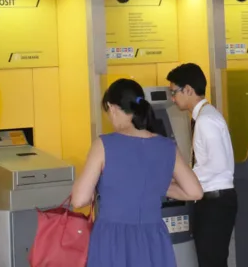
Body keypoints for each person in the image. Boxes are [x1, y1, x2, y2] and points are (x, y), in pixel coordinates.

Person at [72, 78, 204, 267]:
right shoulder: (167, 146)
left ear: (112, 107)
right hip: (153, 238)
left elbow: (79, 200)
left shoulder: (103, 145)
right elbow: (195, 192)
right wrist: (156, 186)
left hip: (113, 239)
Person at [166, 63, 236, 267]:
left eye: (174, 92)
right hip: (215, 200)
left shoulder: (206, 120)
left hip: (215, 202)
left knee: (212, 261)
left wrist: (182, 180)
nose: (173, 98)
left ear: (188, 90)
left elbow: (216, 166)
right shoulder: (206, 116)